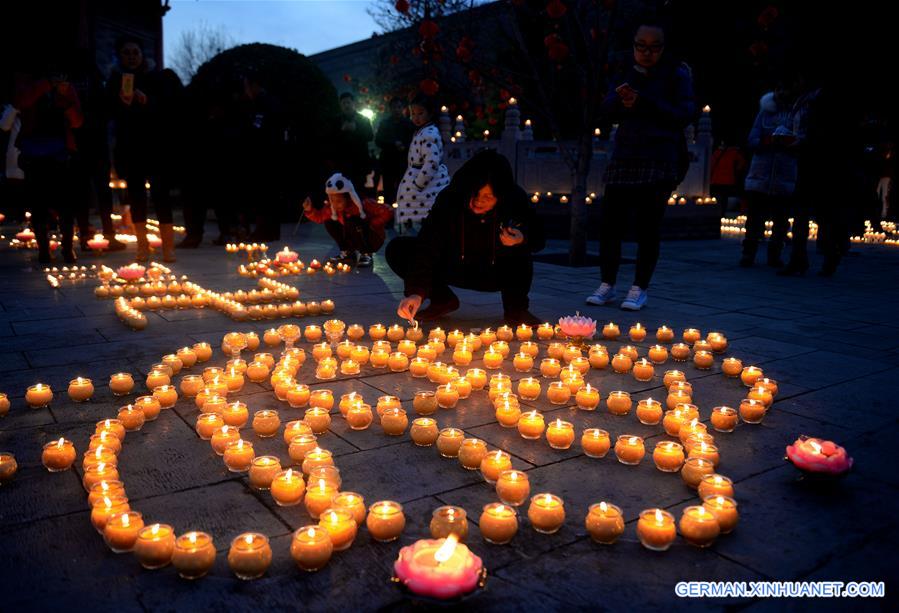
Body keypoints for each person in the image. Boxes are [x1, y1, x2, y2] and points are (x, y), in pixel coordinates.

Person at [586, 20, 696, 311]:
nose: (646, 53)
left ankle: (639, 287)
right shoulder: (625, 71)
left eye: (654, 47)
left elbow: (684, 113)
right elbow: (606, 109)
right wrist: (623, 100)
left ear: (664, 47)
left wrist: (644, 102)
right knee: (611, 225)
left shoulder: (676, 73)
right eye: (641, 46)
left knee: (648, 227)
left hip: (659, 157)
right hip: (625, 155)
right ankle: (607, 283)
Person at [387, 150, 545, 325]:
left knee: (520, 249)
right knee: (399, 249)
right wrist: (416, 292)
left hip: (495, 271)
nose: (479, 201)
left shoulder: (514, 200)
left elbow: (539, 237)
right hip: (455, 265)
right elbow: (427, 245)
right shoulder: (450, 199)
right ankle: (442, 300)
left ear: (500, 196)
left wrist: (521, 238)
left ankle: (517, 311)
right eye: (475, 194)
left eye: (488, 197)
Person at [106, 36, 184, 262]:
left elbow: (169, 108)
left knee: (161, 194)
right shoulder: (114, 80)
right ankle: (142, 245)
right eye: (126, 52)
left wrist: (147, 101)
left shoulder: (158, 78)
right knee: (136, 194)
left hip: (156, 145)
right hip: (130, 146)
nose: (131, 56)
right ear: (120, 56)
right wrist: (121, 102)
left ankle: (168, 247)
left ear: (142, 55)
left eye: (135, 52)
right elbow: (108, 112)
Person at [14, 65, 83, 263]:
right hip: (34, 153)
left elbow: (77, 121)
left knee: (66, 205)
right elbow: (21, 102)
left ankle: (68, 249)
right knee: (39, 204)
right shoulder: (29, 84)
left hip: (60, 154)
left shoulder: (66, 89)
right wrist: (45, 86)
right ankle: (44, 249)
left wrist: (64, 98)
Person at [738, 75, 807, 268]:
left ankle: (774, 254)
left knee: (781, 219)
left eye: (786, 89)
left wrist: (790, 144)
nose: (782, 93)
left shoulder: (797, 114)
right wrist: (766, 142)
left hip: (784, 174)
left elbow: (802, 139)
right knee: (754, 218)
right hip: (761, 173)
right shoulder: (765, 113)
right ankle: (748, 252)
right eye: (779, 89)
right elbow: (752, 138)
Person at [301, 173, 393, 267]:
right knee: (330, 221)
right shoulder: (333, 208)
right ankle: (347, 252)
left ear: (348, 197)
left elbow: (388, 210)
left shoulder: (363, 204)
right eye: (333, 201)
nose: (336, 204)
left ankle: (366, 254)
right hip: (353, 237)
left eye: (339, 201)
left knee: (352, 220)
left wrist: (373, 223)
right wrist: (309, 210)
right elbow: (320, 217)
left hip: (371, 238)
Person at [395, 94, 449, 230]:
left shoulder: (428, 134)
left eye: (420, 113)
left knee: (423, 225)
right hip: (420, 191)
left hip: (425, 191)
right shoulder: (422, 131)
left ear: (430, 113)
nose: (416, 117)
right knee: (420, 224)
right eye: (413, 113)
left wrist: (418, 185)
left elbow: (431, 162)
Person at [375, 96, 414, 206]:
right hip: (388, 161)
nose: (396, 109)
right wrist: (393, 144)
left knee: (405, 188)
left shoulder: (409, 124)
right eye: (394, 107)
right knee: (388, 189)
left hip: (403, 162)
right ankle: (388, 214)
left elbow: (413, 140)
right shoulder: (385, 123)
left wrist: (405, 146)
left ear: (403, 108)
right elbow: (378, 140)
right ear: (390, 109)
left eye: (398, 107)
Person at [332, 92, 373, 195]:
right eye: (344, 103)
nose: (346, 105)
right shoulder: (335, 121)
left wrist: (356, 130)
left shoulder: (363, 120)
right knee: (342, 192)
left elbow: (370, 136)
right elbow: (329, 139)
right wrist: (342, 130)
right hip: (342, 163)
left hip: (359, 163)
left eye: (348, 102)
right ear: (340, 105)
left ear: (353, 103)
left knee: (359, 191)